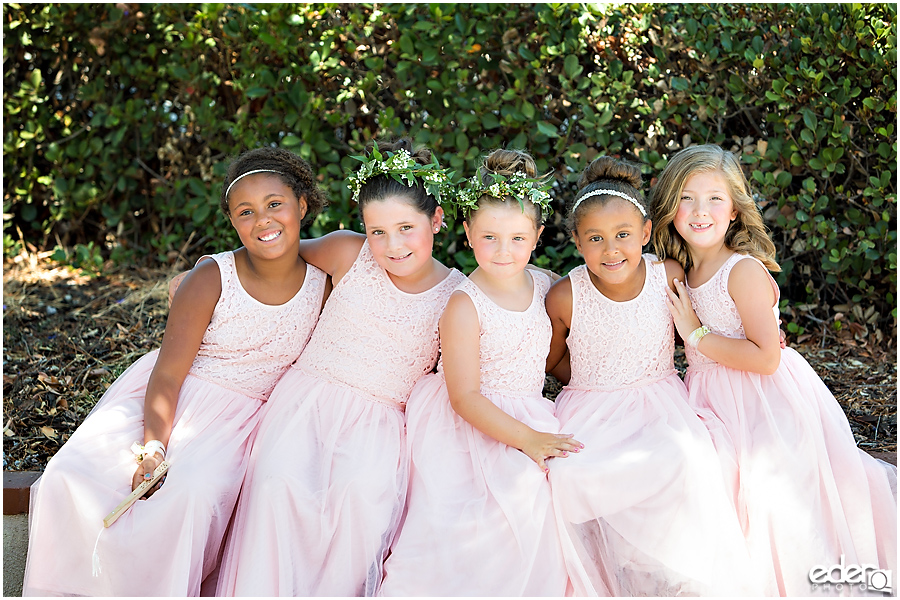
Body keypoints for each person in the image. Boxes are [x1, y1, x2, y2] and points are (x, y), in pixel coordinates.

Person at [21, 147, 329, 596]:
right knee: (71, 473)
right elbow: (167, 375)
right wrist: (153, 447)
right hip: (178, 397)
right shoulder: (211, 277)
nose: (263, 220)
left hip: (247, 423)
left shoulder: (323, 284)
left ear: (302, 204)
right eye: (246, 212)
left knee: (194, 494)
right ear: (232, 222)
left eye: (275, 204)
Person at [214, 139, 466, 597]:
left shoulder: (457, 295)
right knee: (278, 485)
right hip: (306, 403)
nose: (393, 245)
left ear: (437, 220)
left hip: (379, 423)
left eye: (407, 228)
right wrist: (200, 273)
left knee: (362, 503)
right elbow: (272, 254)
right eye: (378, 231)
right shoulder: (348, 253)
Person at [651, 143, 897, 596]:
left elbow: (767, 357)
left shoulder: (740, 271)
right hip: (710, 395)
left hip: (763, 400)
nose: (700, 210)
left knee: (768, 498)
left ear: (735, 213)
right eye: (686, 196)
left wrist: (696, 333)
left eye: (714, 199)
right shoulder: (679, 271)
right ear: (668, 206)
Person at [543, 155, 758, 596]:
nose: (611, 249)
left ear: (644, 233)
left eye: (623, 235)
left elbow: (691, 334)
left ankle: (671, 575)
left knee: (688, 460)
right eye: (595, 239)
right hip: (590, 405)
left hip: (659, 401)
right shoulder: (565, 295)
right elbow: (552, 360)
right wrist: (589, 382)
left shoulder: (669, 276)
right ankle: (603, 575)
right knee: (570, 476)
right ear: (577, 243)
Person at [379, 149, 578, 596]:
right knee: (477, 521)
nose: (503, 251)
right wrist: (528, 439)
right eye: (489, 237)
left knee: (557, 498)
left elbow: (559, 355)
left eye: (516, 239)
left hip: (530, 412)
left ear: (537, 236)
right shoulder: (464, 304)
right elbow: (464, 397)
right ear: (468, 233)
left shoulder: (545, 284)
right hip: (469, 425)